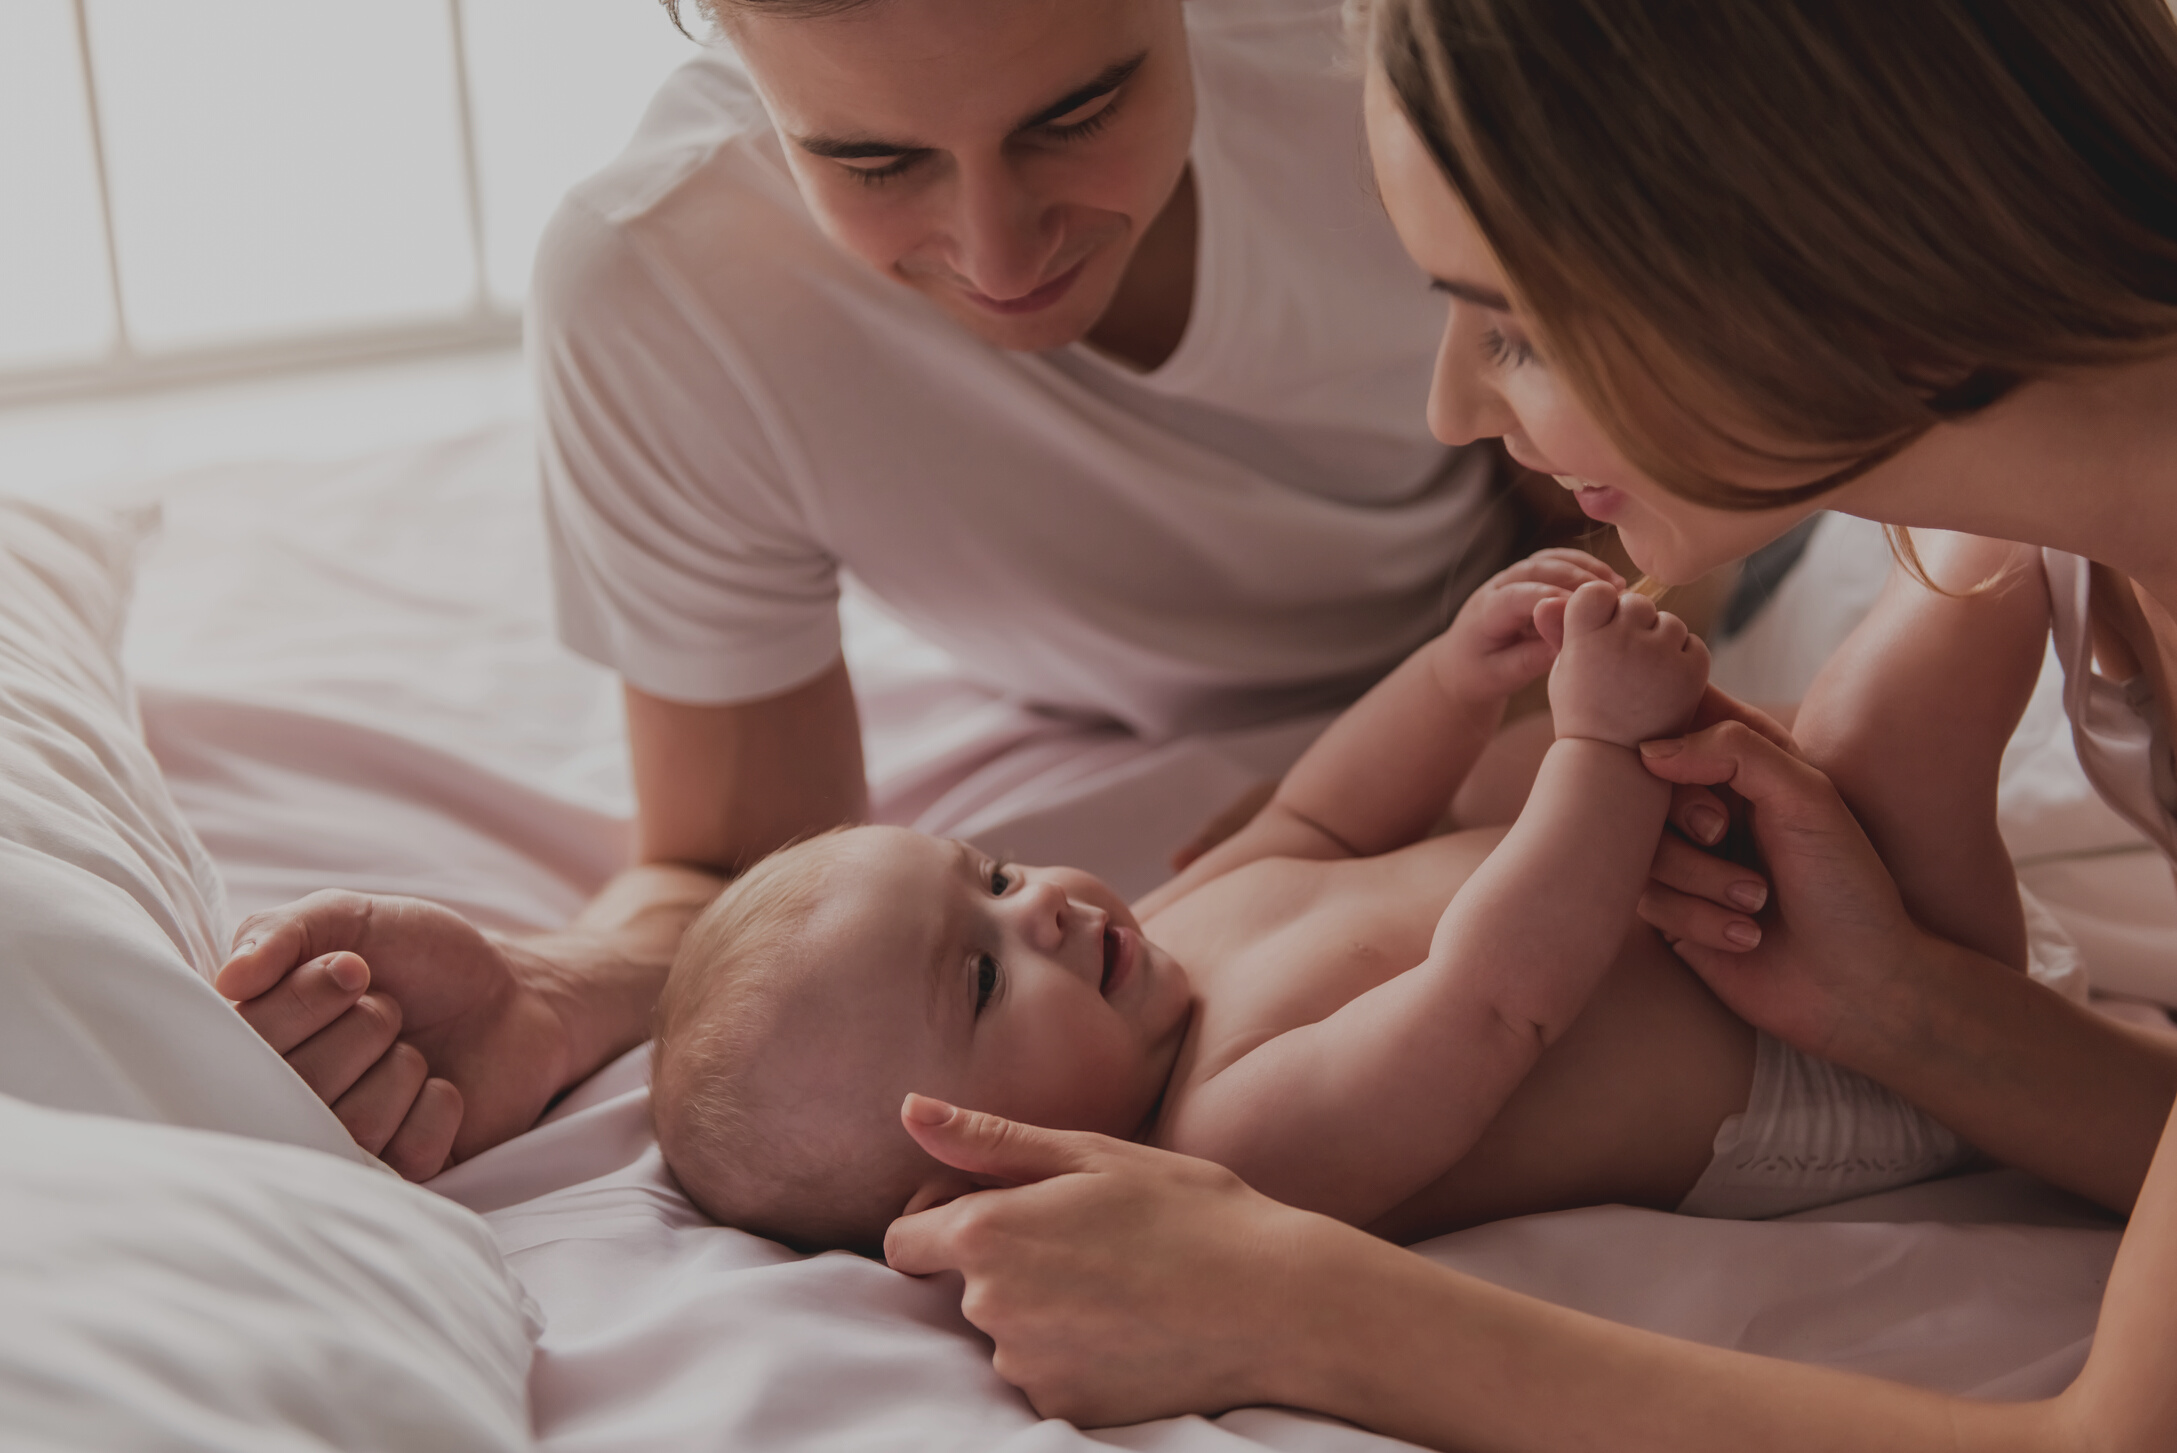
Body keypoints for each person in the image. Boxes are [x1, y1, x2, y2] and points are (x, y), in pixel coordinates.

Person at [877, 0, 2177, 1446]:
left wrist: (1292, 1302)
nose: (1445, 410)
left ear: (1813, 244)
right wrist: (1902, 1011)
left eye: (1508, 326)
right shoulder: (2040, 499)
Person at [209, 0, 1531, 1178]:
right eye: (872, 161)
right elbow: (736, 868)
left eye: (1074, 114)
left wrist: (1493, 735)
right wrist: (552, 987)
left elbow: (1660, 481)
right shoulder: (670, 285)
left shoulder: (1411, 69)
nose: (999, 258)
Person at [656, 553, 1986, 1251]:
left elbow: (1317, 820)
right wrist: (1592, 752)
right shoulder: (1234, 1141)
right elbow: (1496, 998)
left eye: (992, 878)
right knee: (1897, 698)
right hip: (1839, 1066)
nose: (1041, 913)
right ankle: (2011, 545)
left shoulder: (1157, 942)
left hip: (1743, 919)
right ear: (975, 1165)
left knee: (1542, 768)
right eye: (984, 977)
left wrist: (1451, 683)